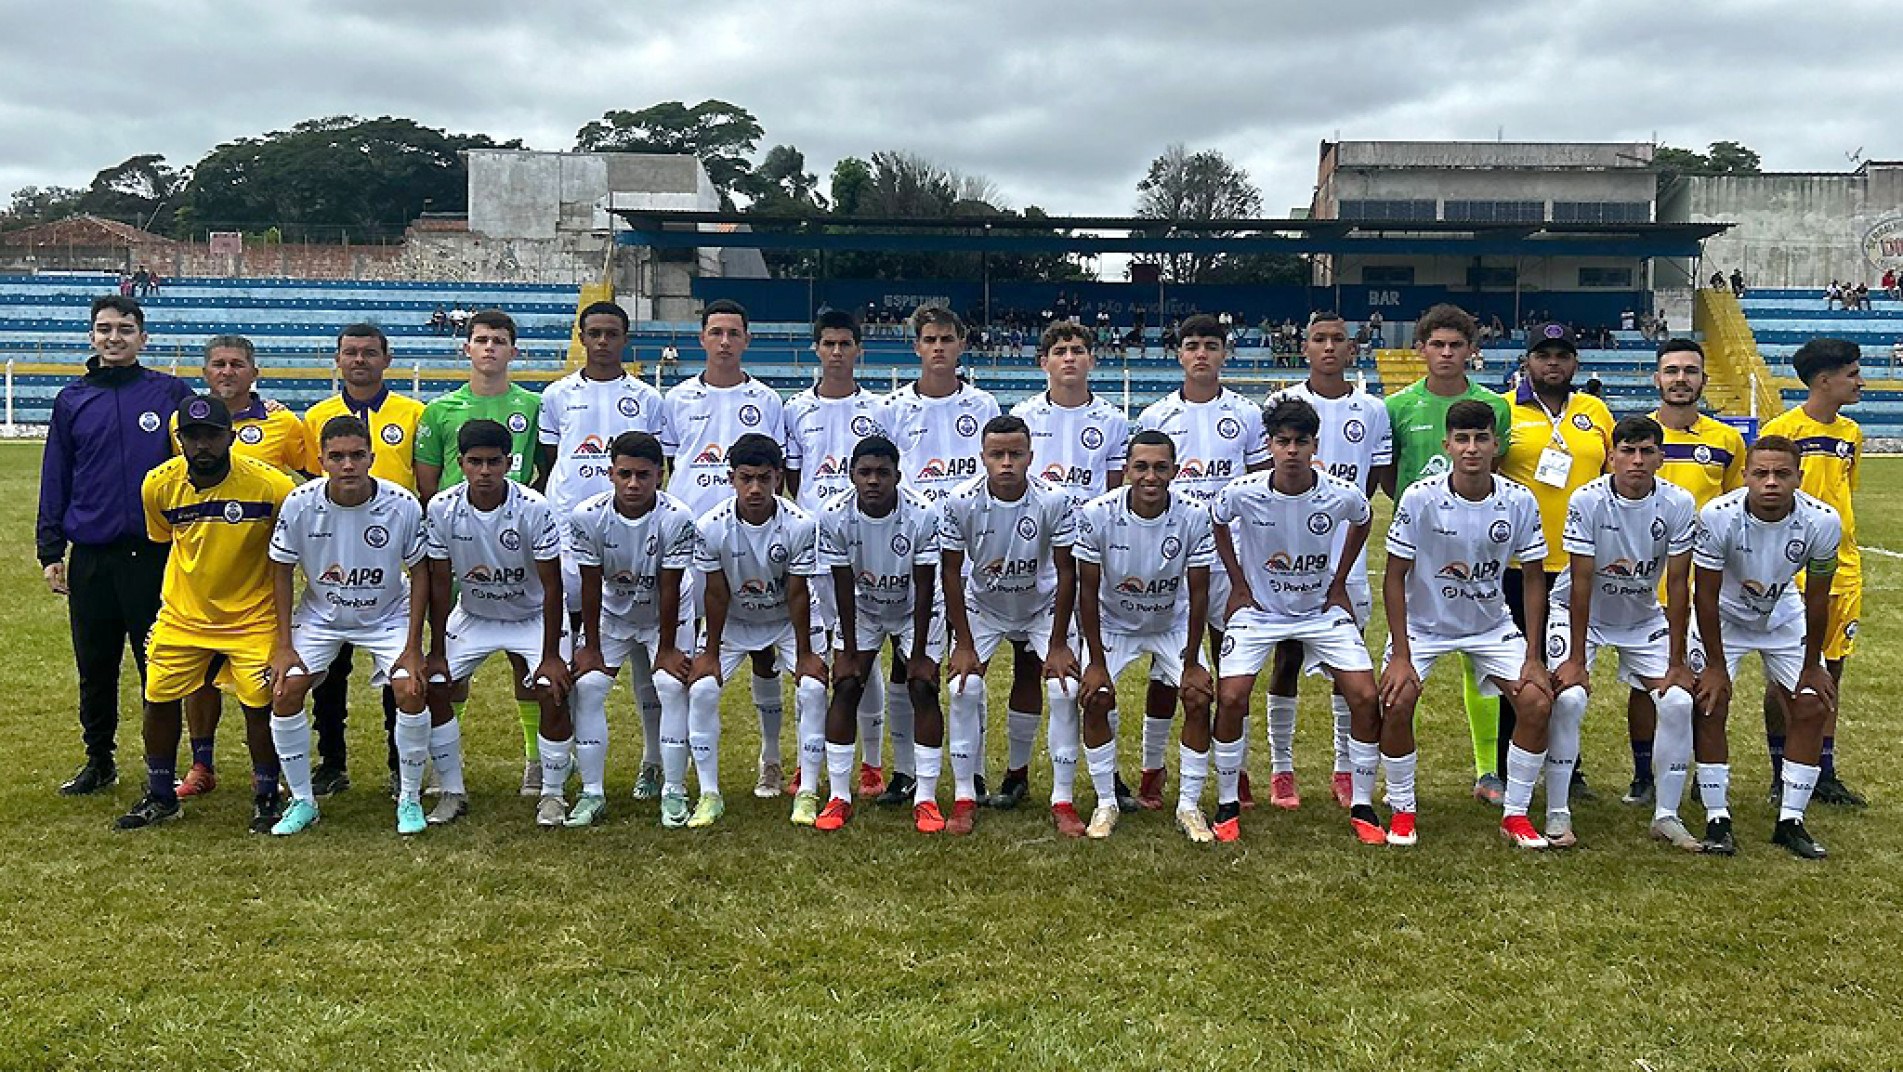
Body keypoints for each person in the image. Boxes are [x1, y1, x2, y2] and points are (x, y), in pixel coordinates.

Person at [1378, 399, 1552, 848]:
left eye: (1481, 439)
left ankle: (1515, 813)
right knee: (1396, 701)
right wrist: (1400, 654)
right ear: (1448, 445)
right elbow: (1394, 576)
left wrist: (1534, 656)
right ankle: (1402, 808)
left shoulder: (1518, 499)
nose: (1472, 448)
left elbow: (1534, 579)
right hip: (1425, 626)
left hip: (1491, 626)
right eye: (1462, 439)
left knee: (1535, 702)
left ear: (1496, 445)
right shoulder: (1420, 497)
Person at [117, 395, 296, 831]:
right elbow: (166, 541)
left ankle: (267, 793)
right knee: (158, 696)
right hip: (184, 616)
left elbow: (286, 555)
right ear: (179, 440)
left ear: (230, 436)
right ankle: (161, 794)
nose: (202, 446)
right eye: (191, 437)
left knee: (259, 703)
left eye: (211, 436)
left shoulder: (272, 488)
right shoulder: (157, 485)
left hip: (252, 617)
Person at [38, 296, 192, 795]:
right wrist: (50, 550)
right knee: (96, 665)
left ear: (142, 338)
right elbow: (56, 476)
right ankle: (98, 760)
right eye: (104, 328)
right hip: (92, 559)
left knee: (159, 667)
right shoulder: (72, 400)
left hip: (153, 555)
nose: (114, 337)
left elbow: (205, 452)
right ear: (91, 336)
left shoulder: (168, 392)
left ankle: (160, 767)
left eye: (125, 328)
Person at [1208, 400, 1380, 844]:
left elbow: (1363, 520)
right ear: (1269, 445)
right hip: (1260, 613)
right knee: (1230, 697)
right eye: (1282, 442)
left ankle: (1362, 802)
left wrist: (1339, 582)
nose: (1291, 451)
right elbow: (1217, 521)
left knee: (1363, 694)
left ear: (1314, 446)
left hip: (1320, 611)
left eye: (1300, 442)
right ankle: (1228, 801)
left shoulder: (1339, 493)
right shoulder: (1243, 491)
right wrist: (1238, 585)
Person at [264, 415, 431, 836]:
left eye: (357, 455)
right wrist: (283, 645)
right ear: (321, 460)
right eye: (337, 457)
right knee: (284, 688)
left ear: (372, 458)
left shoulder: (402, 503)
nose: (348, 465)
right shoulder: (300, 504)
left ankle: (409, 797)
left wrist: (413, 646)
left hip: (387, 612)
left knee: (410, 687)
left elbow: (421, 570)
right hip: (322, 614)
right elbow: (280, 570)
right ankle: (303, 801)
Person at [167, 334, 313, 800]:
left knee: (259, 686)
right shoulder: (181, 422)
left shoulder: (282, 422)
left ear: (255, 372)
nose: (226, 372)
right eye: (217, 364)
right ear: (204, 372)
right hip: (200, 578)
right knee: (199, 677)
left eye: (236, 364)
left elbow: (314, 479)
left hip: (259, 582)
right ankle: (201, 764)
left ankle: (266, 777)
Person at [1544, 416, 1698, 850]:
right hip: (1581, 614)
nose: (1636, 460)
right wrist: (1575, 658)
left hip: (1642, 618)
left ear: (1660, 458)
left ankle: (1666, 816)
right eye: (1627, 451)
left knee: (1678, 701)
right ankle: (1558, 811)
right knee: (1569, 698)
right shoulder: (1587, 499)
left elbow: (1680, 585)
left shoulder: (1679, 503)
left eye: (1647, 451)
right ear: (1610, 457)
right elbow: (1580, 581)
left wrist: (1677, 663)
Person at [414, 309, 551, 794]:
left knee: (526, 662)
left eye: (499, 340)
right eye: (480, 340)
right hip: (457, 545)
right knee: (450, 661)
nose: (489, 347)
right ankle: (442, 761)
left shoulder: (535, 406)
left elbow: (545, 468)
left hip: (515, 546)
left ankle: (537, 760)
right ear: (465, 349)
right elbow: (428, 487)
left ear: (514, 350)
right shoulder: (438, 411)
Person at [1382, 304, 1513, 804]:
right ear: (1420, 349)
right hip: (1418, 544)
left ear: (1470, 351)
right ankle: (1396, 779)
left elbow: (1491, 469)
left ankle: (1487, 771)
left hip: (1478, 546)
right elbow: (1388, 472)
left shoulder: (1494, 407)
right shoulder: (1397, 407)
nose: (1446, 353)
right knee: (1411, 651)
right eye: (1436, 344)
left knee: (1477, 651)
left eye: (1456, 345)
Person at [1261, 312, 1392, 811]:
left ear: (1351, 347)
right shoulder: (1280, 403)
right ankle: (1281, 770)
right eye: (1319, 338)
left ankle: (1342, 768)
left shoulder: (1372, 410)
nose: (1330, 346)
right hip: (1288, 555)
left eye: (1339, 338)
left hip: (1346, 560)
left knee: (1347, 664)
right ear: (1306, 346)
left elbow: (1375, 481)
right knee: (1287, 657)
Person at [1135, 314, 1270, 800]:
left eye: (1210, 346)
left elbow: (1258, 492)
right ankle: (1153, 767)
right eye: (1192, 346)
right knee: (1166, 668)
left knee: (1232, 668)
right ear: (1179, 355)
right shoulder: (1156, 416)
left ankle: (1235, 772)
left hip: (1228, 562)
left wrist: (1247, 568)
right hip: (1171, 559)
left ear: (1223, 354)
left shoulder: (1247, 414)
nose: (1201, 354)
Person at [661, 299, 792, 798]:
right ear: (701, 338)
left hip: (758, 539)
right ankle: (682, 762)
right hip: (698, 542)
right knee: (698, 651)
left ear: (746, 340)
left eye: (733, 333)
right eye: (715, 332)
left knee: (765, 653)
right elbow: (668, 465)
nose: (724, 341)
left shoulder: (768, 400)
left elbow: (779, 473)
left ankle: (772, 757)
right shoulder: (676, 398)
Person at [537, 300, 668, 801]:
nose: (603, 341)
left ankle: (652, 760)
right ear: (582, 336)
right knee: (576, 651)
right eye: (594, 333)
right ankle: (562, 754)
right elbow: (552, 458)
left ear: (625, 337)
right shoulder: (556, 395)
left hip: (632, 532)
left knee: (643, 656)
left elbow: (654, 462)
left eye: (612, 333)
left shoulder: (646, 397)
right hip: (574, 537)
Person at [1689, 436, 1841, 859]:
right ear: (1745, 477)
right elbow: (1704, 594)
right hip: (1723, 617)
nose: (1771, 482)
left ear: (1799, 477)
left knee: (1812, 704)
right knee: (1709, 703)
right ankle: (1717, 816)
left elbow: (1817, 596)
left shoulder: (1823, 521)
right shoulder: (1717, 516)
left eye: (1781, 474)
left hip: (1783, 613)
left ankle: (1791, 820)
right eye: (1761, 473)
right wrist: (1715, 665)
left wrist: (1813, 664)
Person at [1003, 320, 1131, 811]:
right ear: (1044, 362)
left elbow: (1116, 493)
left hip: (1091, 559)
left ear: (1092, 359)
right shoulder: (1022, 415)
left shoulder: (1114, 420)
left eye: (1079, 349)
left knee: (1096, 670)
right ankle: (1017, 772)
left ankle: (1108, 774)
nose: (1070, 358)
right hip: (1035, 560)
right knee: (1027, 667)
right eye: (1060, 350)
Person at [876, 305, 1000, 805]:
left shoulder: (985, 405)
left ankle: (974, 774)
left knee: (970, 667)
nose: (939, 348)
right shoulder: (892, 410)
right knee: (908, 665)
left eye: (947, 339)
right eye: (929, 340)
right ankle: (906, 772)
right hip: (914, 557)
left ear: (961, 344)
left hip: (971, 556)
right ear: (917, 346)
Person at [420, 419, 571, 828]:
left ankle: (553, 794)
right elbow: (437, 580)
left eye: (493, 462)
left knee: (550, 688)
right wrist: (434, 652)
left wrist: (553, 655)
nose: (484, 471)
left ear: (508, 462)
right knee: (434, 684)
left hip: (531, 615)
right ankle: (451, 790)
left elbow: (553, 586)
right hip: (475, 615)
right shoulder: (441, 508)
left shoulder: (534, 508)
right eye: (475, 462)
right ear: (461, 463)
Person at [301, 323, 428, 798]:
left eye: (370, 353)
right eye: (351, 353)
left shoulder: (414, 413)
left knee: (399, 669)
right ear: (337, 359)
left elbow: (424, 476)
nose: (360, 360)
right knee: (329, 673)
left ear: (386, 359)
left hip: (392, 555)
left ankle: (400, 766)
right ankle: (331, 760)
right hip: (331, 559)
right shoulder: (315, 416)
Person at [939, 415, 1080, 836]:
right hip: (984, 607)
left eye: (1015, 455)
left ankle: (1063, 799)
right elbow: (950, 573)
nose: (1006, 463)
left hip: (1040, 607)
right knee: (962, 687)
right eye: (997, 454)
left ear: (1030, 457)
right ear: (982, 457)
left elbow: (1067, 571)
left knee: (1064, 688)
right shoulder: (960, 502)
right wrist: (963, 643)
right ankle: (965, 796)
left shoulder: (1054, 501)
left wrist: (1057, 645)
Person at [1072, 430, 1216, 841]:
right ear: (1127, 470)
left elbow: (1200, 590)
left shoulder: (1193, 514)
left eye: (1160, 467)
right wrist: (1096, 663)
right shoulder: (1097, 513)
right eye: (1140, 467)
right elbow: (1087, 590)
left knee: (1198, 697)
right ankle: (1106, 802)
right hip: (1116, 624)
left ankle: (1189, 806)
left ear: (1174, 470)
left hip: (1170, 623)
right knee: (1096, 698)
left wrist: (1190, 664)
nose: (1150, 476)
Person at [1622, 340, 1745, 808]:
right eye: (1670, 371)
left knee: (1707, 683)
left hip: (1704, 583)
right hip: (1643, 581)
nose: (1680, 379)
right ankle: (1643, 774)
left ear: (1702, 381)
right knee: (1644, 683)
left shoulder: (1725, 440)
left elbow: (1737, 508)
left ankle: (1703, 772)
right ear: (1657, 379)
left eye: (1689, 371)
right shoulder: (1635, 435)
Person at [684, 434, 827, 827]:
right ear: (731, 478)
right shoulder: (710, 526)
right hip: (734, 620)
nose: (755, 488)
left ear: (779, 478)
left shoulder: (801, 525)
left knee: (813, 688)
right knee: (701, 689)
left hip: (786, 619)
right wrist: (709, 653)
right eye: (746, 478)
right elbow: (713, 593)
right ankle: (709, 794)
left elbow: (798, 592)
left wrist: (806, 654)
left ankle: (809, 792)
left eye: (764, 478)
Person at [1494, 324, 1612, 798]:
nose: (1553, 364)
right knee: (1519, 665)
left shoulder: (1595, 411)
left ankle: (1569, 768)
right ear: (1528, 361)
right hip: (1519, 564)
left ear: (1575, 364)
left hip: (1579, 562)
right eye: (1544, 355)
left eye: (1562, 356)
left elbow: (1610, 477)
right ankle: (1508, 765)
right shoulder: (1503, 409)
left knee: (1566, 669)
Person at [782, 310, 891, 800]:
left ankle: (871, 764)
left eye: (846, 343)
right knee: (819, 656)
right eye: (828, 343)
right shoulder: (795, 409)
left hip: (866, 543)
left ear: (858, 349)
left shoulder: (880, 409)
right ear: (816, 349)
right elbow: (792, 478)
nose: (837, 352)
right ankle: (810, 764)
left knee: (862, 655)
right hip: (816, 547)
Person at [814, 436, 946, 832]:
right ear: (851, 476)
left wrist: (919, 653)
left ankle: (925, 797)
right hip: (864, 606)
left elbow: (925, 586)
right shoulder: (834, 515)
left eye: (882, 473)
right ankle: (839, 795)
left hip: (913, 609)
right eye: (865, 472)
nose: (874, 481)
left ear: (898, 477)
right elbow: (841, 583)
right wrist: (849, 649)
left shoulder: (922, 514)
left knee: (922, 687)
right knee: (848, 685)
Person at [566, 431, 698, 828]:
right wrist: (589, 646)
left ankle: (674, 789)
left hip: (666, 613)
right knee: (588, 686)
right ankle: (592, 793)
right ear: (610, 473)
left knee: (672, 687)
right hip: (613, 615)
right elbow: (590, 583)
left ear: (661, 473)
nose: (634, 483)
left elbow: (671, 584)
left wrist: (669, 648)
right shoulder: (587, 516)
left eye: (644, 474)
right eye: (625, 474)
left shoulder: (678, 517)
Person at [1758, 339, 1866, 807]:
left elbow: (1846, 492)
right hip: (1792, 573)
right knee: (1784, 678)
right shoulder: (1782, 430)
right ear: (1824, 380)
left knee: (1830, 673)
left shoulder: (1852, 433)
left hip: (1843, 570)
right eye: (1852, 373)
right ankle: (1782, 769)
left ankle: (1822, 768)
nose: (1860, 381)